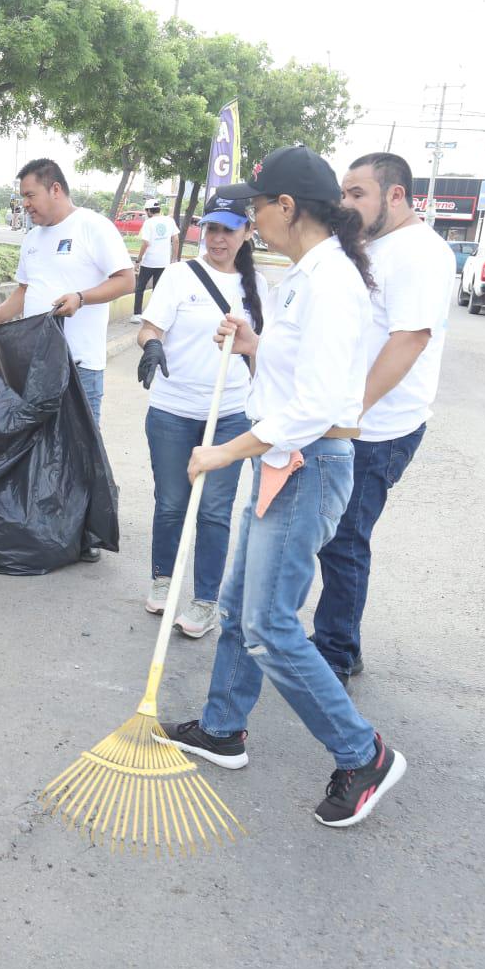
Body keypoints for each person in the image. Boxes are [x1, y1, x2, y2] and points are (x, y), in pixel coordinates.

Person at [157, 145, 407, 828]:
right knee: (240, 604)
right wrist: (253, 345)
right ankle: (224, 728)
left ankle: (363, 753)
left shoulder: (330, 283)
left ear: (287, 208)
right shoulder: (306, 274)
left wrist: (222, 454)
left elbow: (317, 407)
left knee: (269, 624)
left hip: (309, 463)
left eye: (255, 207)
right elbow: (299, 376)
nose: (249, 219)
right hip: (287, 461)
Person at [316, 152, 457, 684]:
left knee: (346, 537)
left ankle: (336, 651)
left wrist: (353, 411)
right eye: (343, 194)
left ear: (395, 195)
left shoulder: (420, 253)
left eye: (358, 194)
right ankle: (333, 640)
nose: (345, 204)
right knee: (334, 535)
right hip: (355, 421)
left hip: (378, 428)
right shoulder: (376, 244)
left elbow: (410, 339)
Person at [135, 194, 265, 638]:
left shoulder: (258, 288)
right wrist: (151, 343)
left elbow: (263, 355)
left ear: (247, 232)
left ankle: (206, 600)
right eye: (211, 228)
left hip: (230, 414)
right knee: (171, 503)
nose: (218, 238)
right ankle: (163, 578)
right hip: (172, 410)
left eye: (229, 230)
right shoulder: (177, 275)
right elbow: (150, 327)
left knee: (214, 509)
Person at [0, 158, 135, 426]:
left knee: (80, 459)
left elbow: (126, 280)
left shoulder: (92, 227)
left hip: (79, 369)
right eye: (22, 196)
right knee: (39, 456)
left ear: (55, 189)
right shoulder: (32, 239)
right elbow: (25, 290)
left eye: (30, 195)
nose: (24, 203)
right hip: (36, 368)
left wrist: (81, 298)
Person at [130, 199, 181, 323]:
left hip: (149, 262)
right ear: (158, 209)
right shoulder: (169, 221)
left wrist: (138, 260)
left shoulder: (149, 223)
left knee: (140, 288)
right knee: (158, 290)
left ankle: (137, 314)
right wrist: (174, 259)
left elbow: (145, 243)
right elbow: (176, 240)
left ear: (148, 211)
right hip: (164, 262)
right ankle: (154, 315)